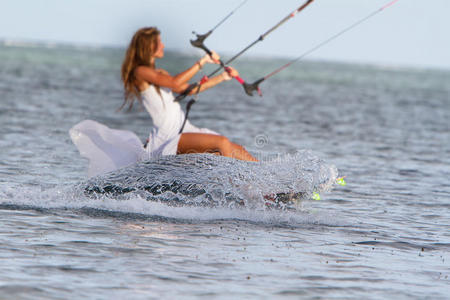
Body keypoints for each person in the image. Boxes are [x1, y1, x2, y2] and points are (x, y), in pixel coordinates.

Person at [70, 27, 257, 178]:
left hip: (185, 129)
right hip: (167, 138)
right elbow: (176, 83)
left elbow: (187, 89)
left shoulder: (161, 74)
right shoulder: (140, 72)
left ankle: (269, 188)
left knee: (236, 149)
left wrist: (223, 77)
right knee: (222, 143)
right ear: (148, 46)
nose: (163, 46)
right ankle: (245, 193)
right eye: (159, 42)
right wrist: (202, 62)